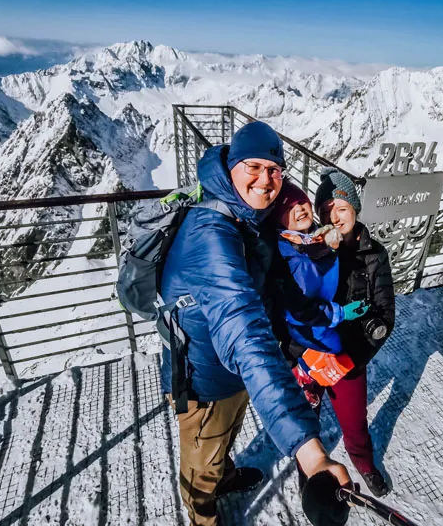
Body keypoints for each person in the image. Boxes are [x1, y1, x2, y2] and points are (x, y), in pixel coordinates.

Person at [159, 121, 351, 526]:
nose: (266, 180)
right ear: (232, 165)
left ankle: (224, 477)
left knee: (225, 438)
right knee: (202, 456)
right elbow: (244, 334)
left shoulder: (246, 215)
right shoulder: (211, 234)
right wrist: (311, 453)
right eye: (254, 167)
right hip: (204, 377)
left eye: (274, 170)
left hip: (231, 372)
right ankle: (202, 515)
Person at [277, 168, 396, 498]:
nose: (334, 215)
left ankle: (365, 464)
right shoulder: (305, 243)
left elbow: (385, 315)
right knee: (305, 423)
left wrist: (350, 358)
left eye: (341, 208)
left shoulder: (373, 255)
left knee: (355, 424)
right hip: (306, 355)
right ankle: (311, 478)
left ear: (355, 210)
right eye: (326, 209)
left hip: (348, 357)